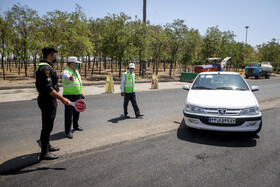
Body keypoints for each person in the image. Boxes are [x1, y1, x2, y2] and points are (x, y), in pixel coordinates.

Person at [36, 47, 70, 160]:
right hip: (46, 100)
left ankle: (47, 146)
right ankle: (44, 152)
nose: (55, 57)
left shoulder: (46, 67)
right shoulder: (45, 68)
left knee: (48, 125)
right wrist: (61, 98)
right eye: (54, 55)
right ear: (50, 55)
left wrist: (55, 99)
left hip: (49, 99)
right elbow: (48, 88)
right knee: (47, 126)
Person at [62, 56, 84, 139]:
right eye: (76, 63)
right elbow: (65, 76)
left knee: (77, 111)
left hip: (77, 95)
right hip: (69, 96)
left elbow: (78, 83)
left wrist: (81, 93)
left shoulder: (76, 72)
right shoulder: (66, 71)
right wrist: (69, 78)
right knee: (69, 114)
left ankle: (76, 126)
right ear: (71, 63)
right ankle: (68, 131)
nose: (77, 65)